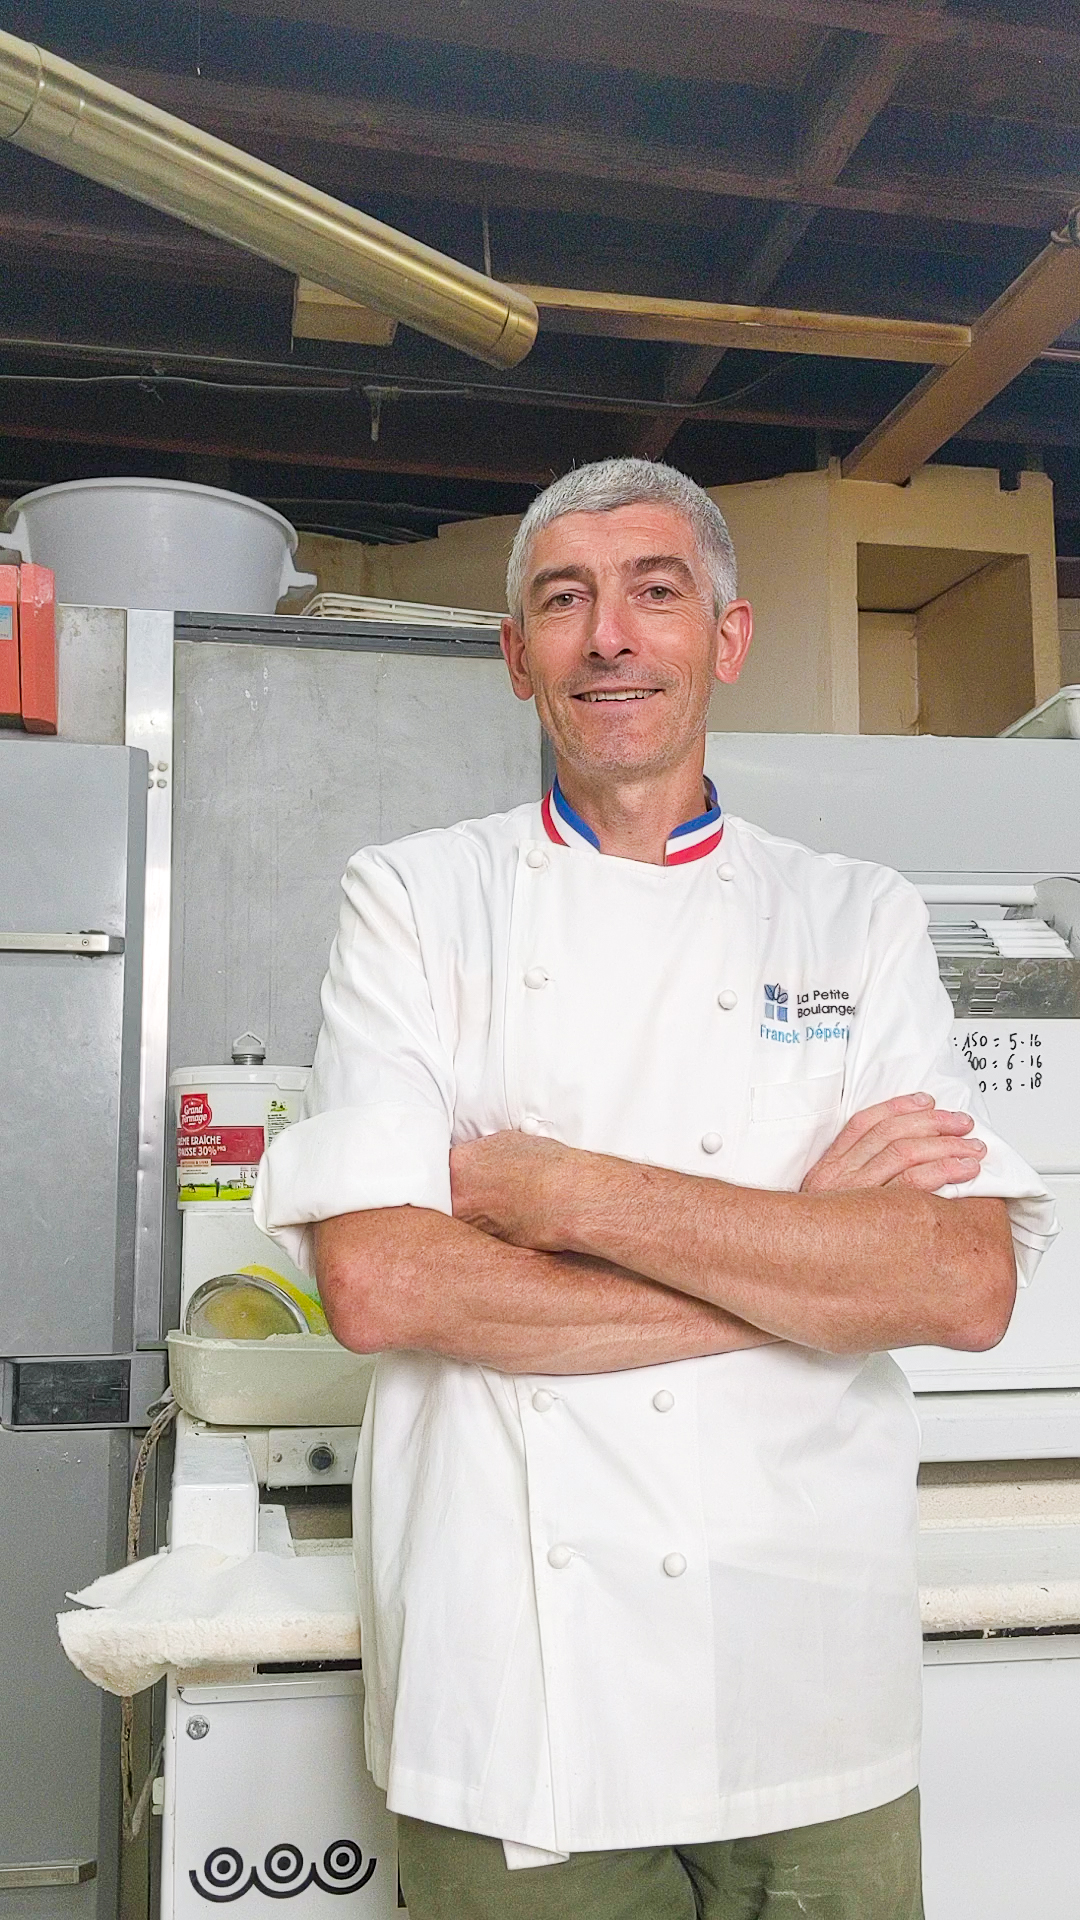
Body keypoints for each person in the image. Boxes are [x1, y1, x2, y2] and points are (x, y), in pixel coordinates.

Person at [254, 458, 1056, 1920]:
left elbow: (962, 1283)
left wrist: (550, 1187)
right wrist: (805, 1265)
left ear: (726, 639)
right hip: (516, 1704)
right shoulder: (416, 899)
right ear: (516, 657)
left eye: (654, 592)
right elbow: (382, 1286)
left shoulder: (853, 914)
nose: (608, 636)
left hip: (812, 1685)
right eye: (564, 601)